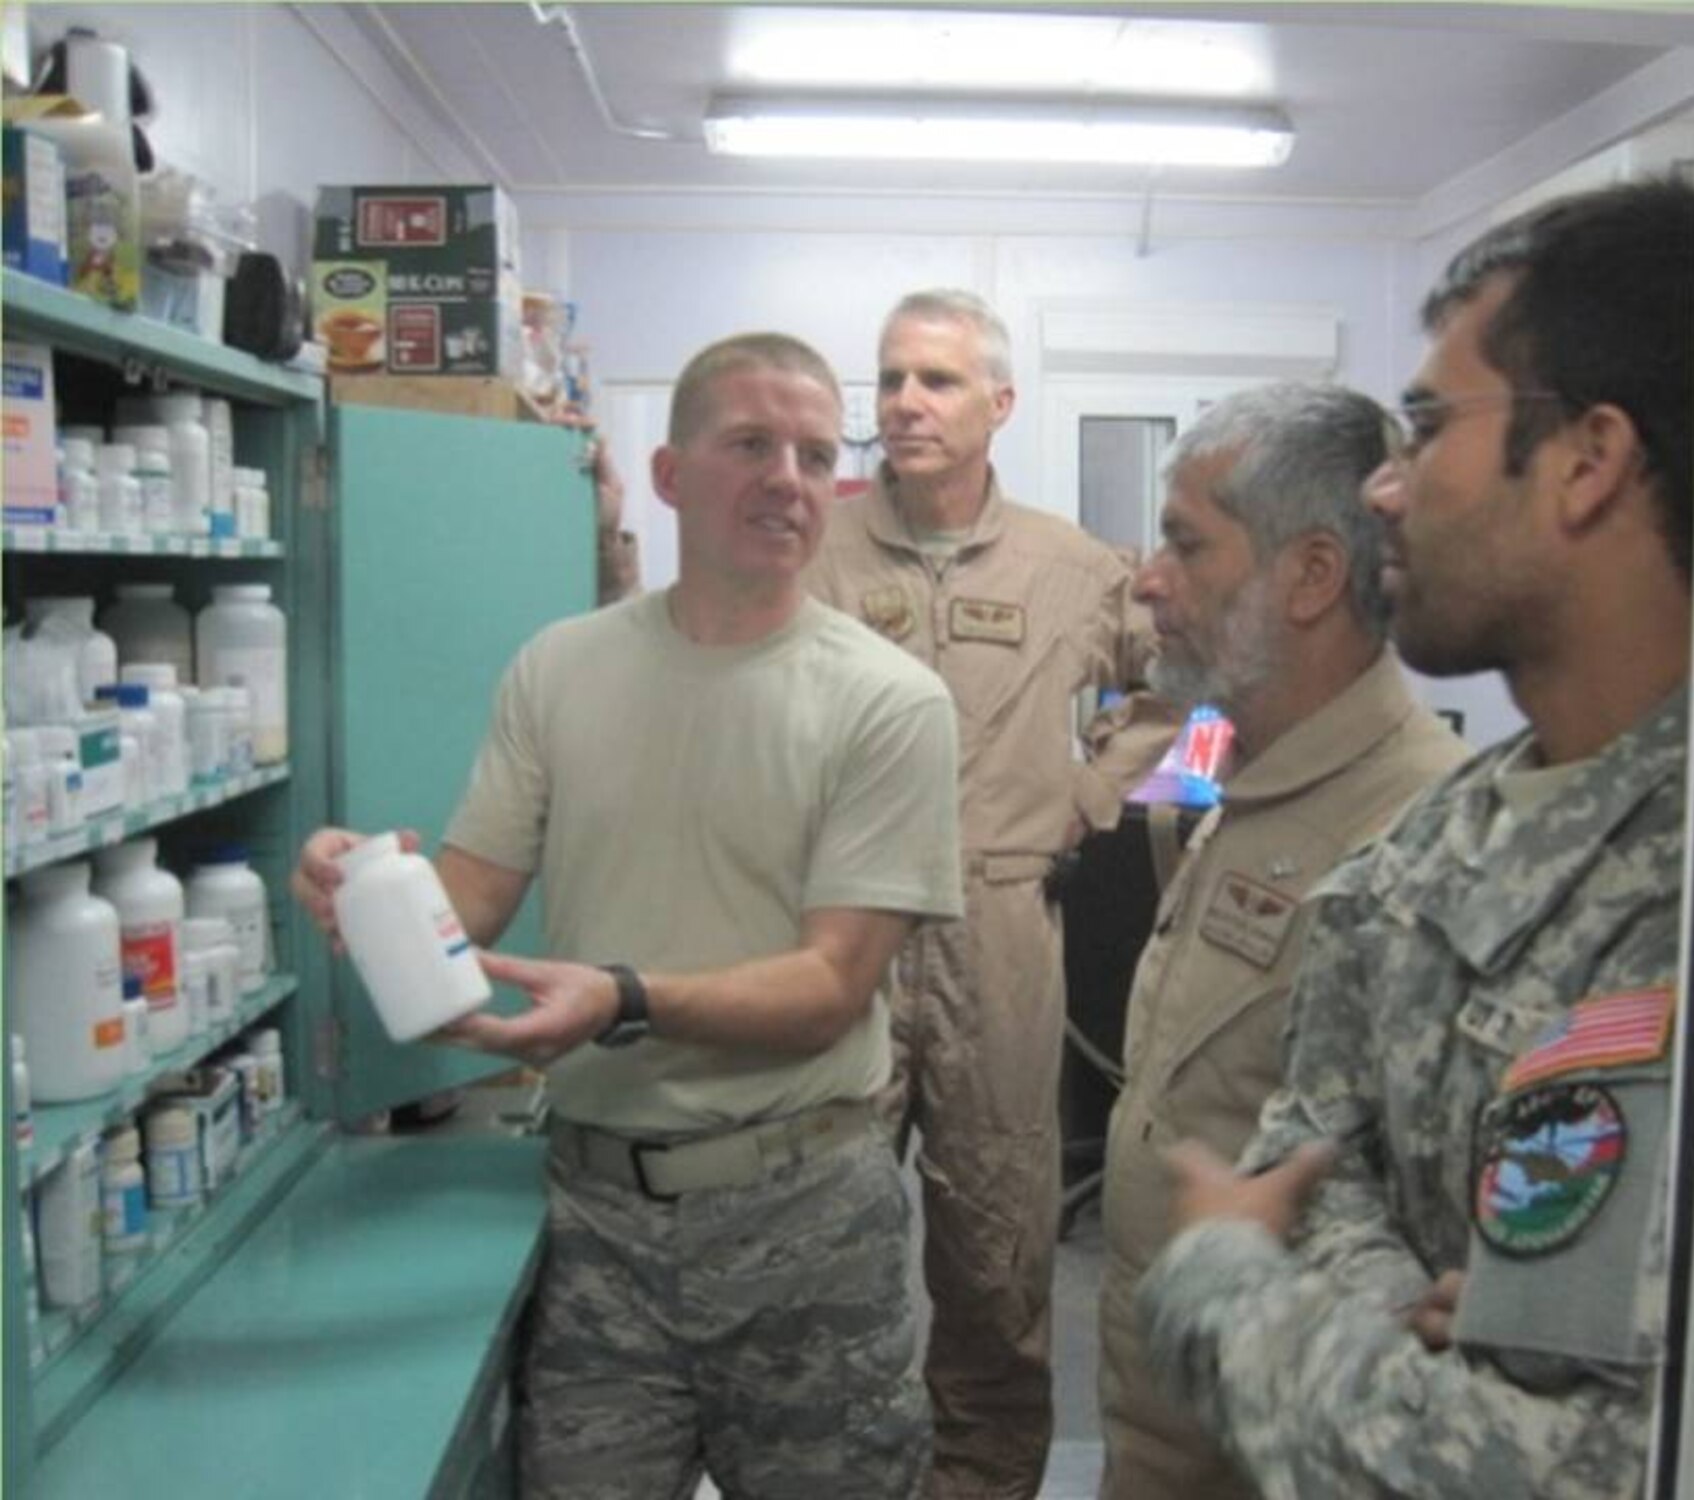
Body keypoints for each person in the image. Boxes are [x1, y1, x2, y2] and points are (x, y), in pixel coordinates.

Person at [291, 332, 964, 1499]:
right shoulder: (559, 669)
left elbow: (829, 989)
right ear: (667, 475)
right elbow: (471, 901)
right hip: (595, 1217)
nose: (789, 481)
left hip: (806, 1215)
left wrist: (623, 1000)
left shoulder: (889, 703)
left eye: (814, 454)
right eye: (750, 445)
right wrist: (362, 889)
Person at [1137, 176, 1694, 1498]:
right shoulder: (1433, 839)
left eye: (1432, 427)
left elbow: (1517, 1466)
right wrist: (1413, 1321)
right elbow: (1316, 1153)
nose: (1387, 492)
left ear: (1586, 458)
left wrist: (1227, 1273)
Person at [801, 288, 1181, 1498]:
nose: (906, 402)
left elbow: (1187, 678)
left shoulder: (1069, 565)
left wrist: (1092, 789)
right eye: (892, 378)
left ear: (998, 406)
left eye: (938, 380)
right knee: (818, 1233)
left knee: (996, 1246)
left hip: (1001, 928)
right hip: (835, 931)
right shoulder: (816, 547)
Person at [1097, 381, 1469, 1500]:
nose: (1146, 580)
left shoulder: (1418, 831)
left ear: (1308, 576)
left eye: (1184, 545)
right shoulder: (1238, 750)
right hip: (1162, 1416)